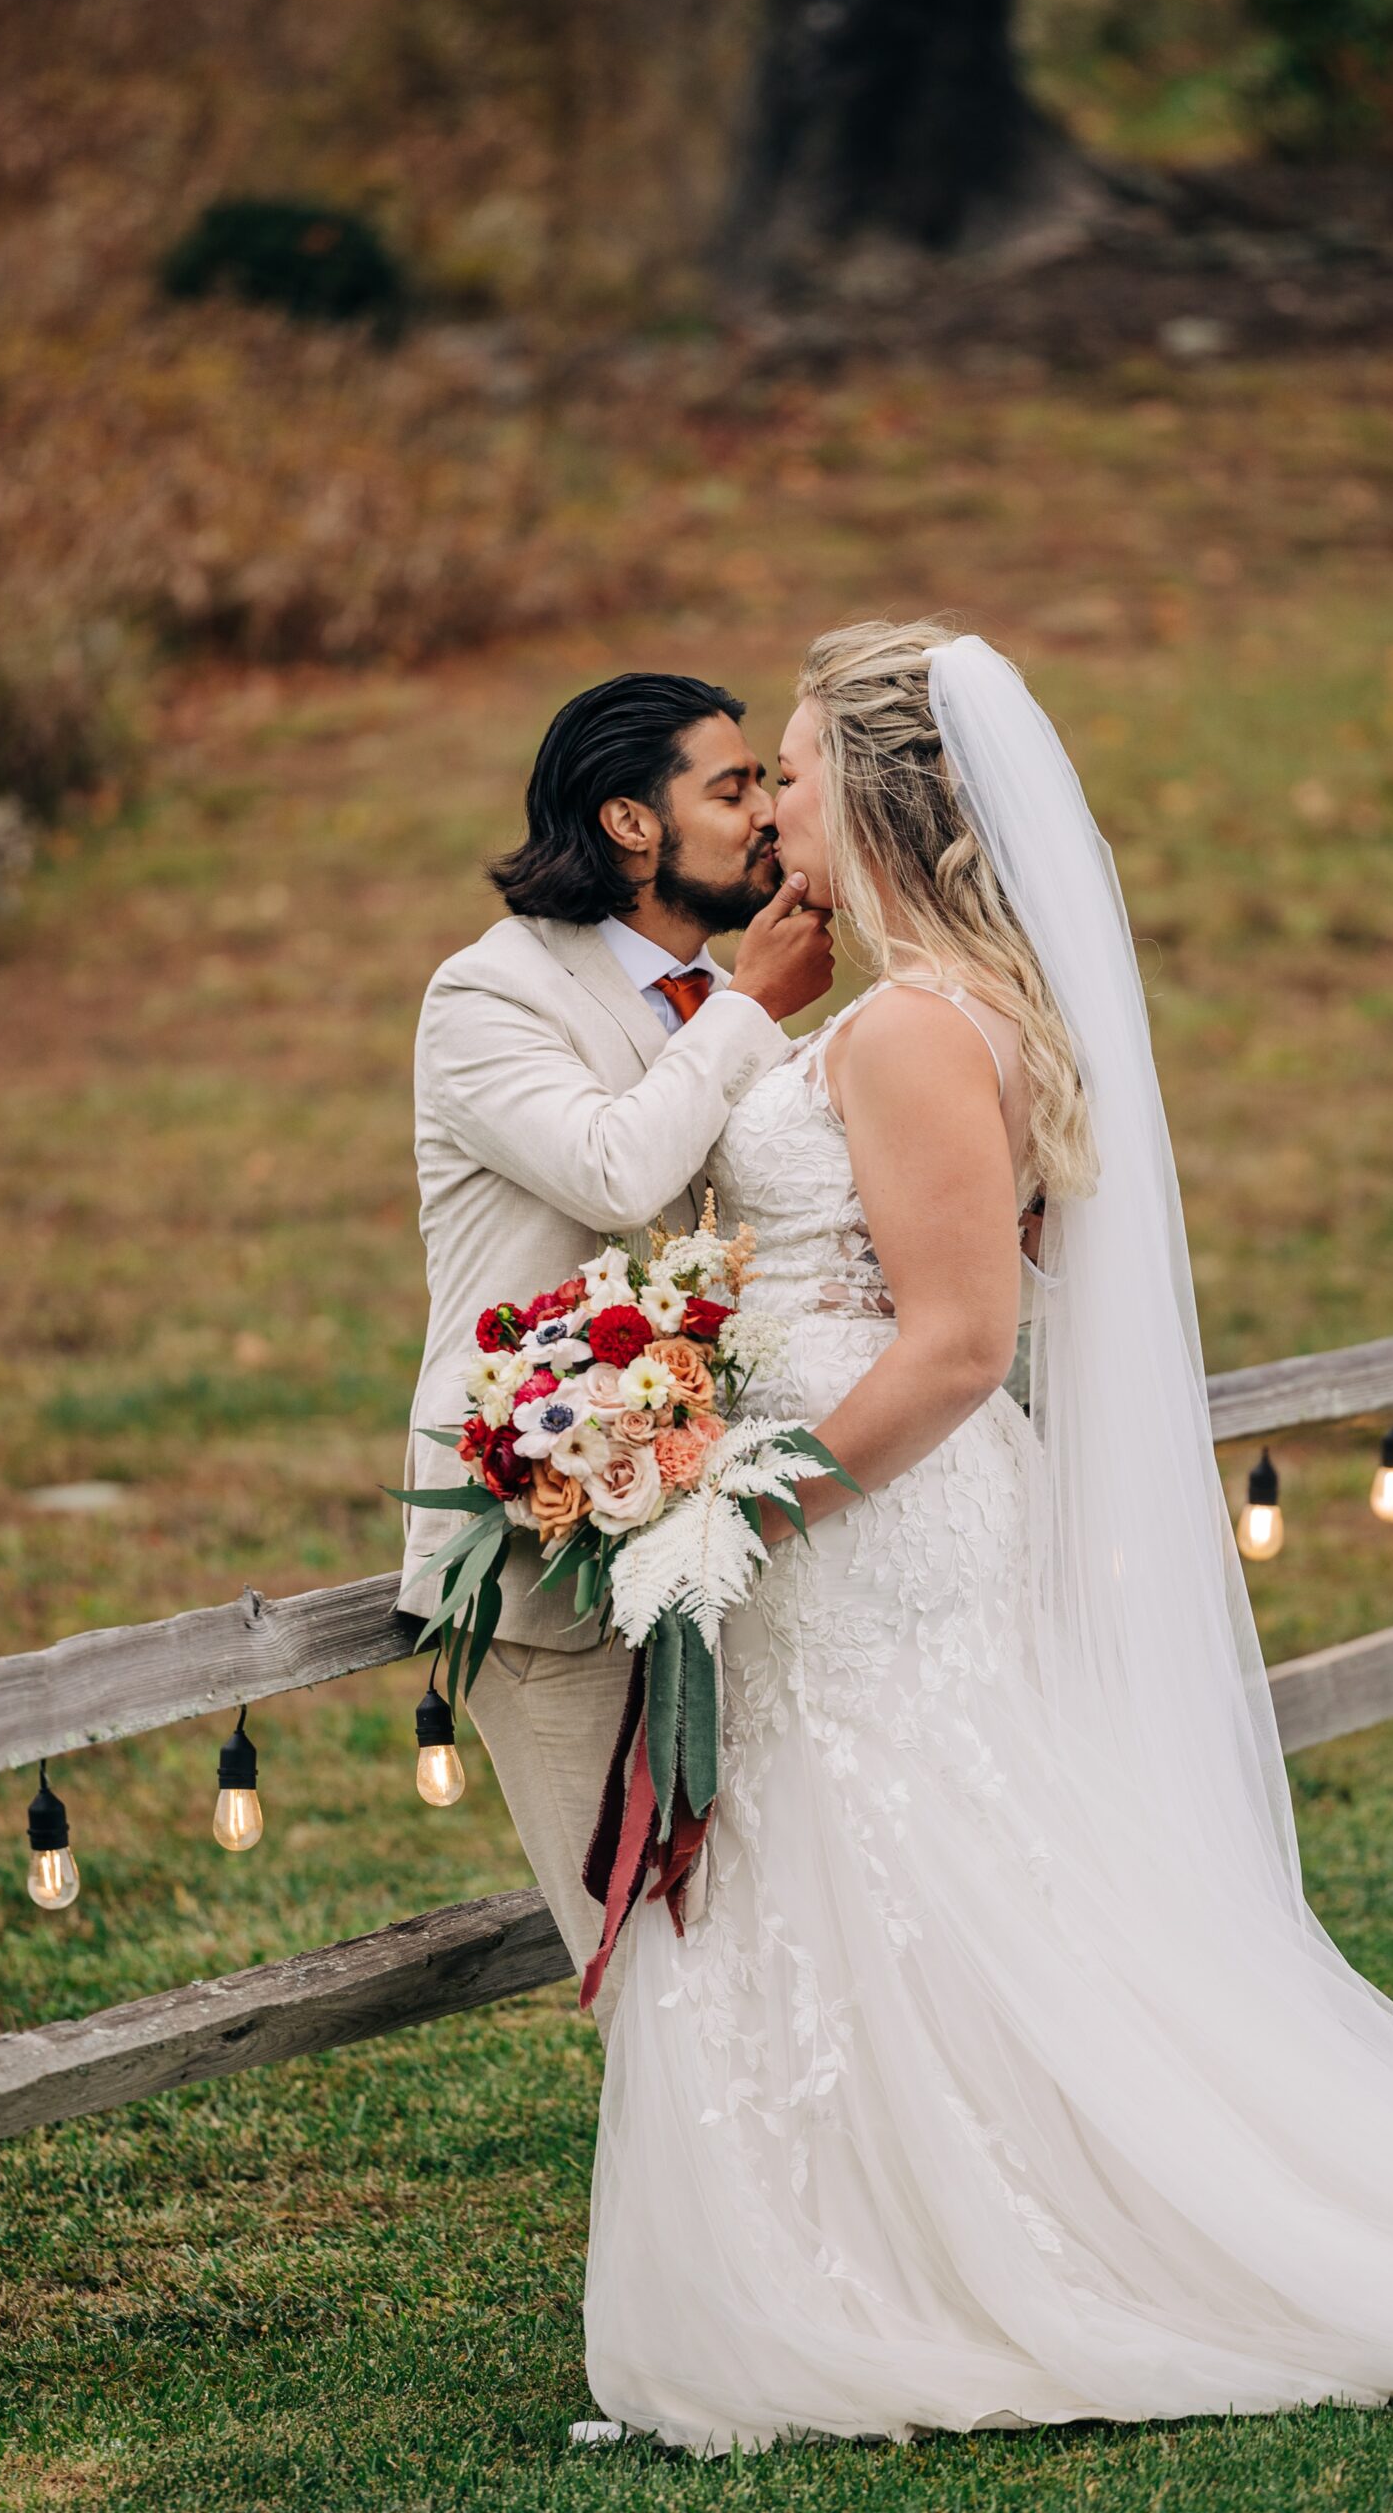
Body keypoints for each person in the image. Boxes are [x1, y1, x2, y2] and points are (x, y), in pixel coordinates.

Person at [577, 621, 1393, 2454]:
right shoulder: (957, 1004)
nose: (772, 806)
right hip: (884, 1511)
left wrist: (740, 1510)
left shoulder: (906, 1032)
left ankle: (955, 2262)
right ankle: (901, 2241)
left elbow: (965, 1342)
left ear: (883, 794)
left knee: (914, 1854)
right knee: (940, 1860)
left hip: (866, 1513)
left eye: (796, 771)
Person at [399, 671, 834, 2041]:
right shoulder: (489, 993)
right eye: (733, 787)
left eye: (769, 781)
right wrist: (750, 1008)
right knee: (650, 1963)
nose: (764, 815)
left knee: (764, 1932)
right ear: (631, 823)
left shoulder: (721, 997)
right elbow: (611, 1167)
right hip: (542, 1538)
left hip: (719, 1527)